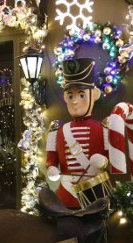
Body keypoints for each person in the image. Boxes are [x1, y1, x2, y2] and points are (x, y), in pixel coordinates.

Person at [45, 58, 113, 209]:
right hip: (65, 194)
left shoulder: (103, 128)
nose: (75, 101)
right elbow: (51, 160)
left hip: (95, 192)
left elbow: (112, 161)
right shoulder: (58, 130)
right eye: (70, 96)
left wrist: (103, 162)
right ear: (65, 98)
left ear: (94, 94)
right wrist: (52, 169)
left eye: (81, 95)